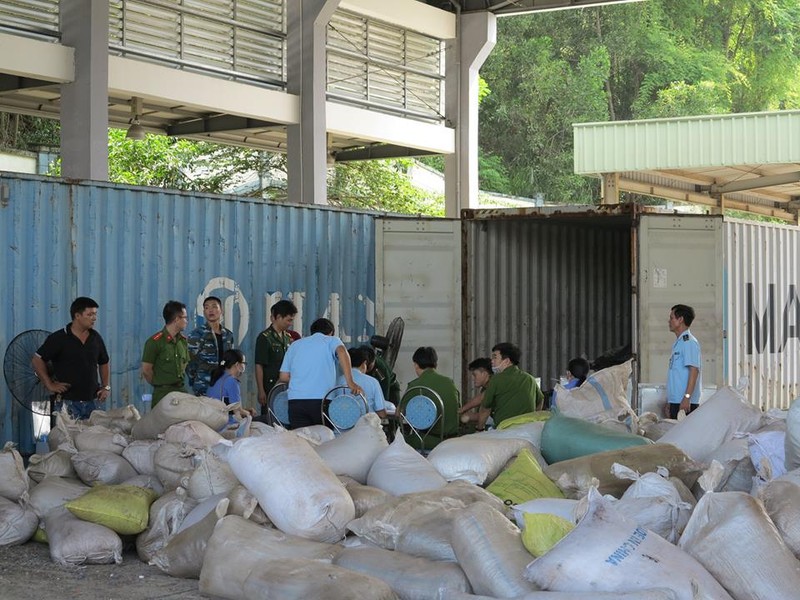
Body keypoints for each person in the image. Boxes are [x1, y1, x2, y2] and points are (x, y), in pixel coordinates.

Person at [32, 297, 111, 422]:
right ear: (77, 315)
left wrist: (106, 387)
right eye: (90, 314)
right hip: (67, 403)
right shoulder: (59, 338)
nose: (94, 318)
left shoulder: (96, 338)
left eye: (95, 314)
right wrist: (49, 384)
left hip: (93, 403)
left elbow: (104, 362)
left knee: (93, 439)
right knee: (67, 439)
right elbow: (37, 359)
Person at [279, 317, 362, 429]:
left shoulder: (295, 345)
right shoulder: (331, 340)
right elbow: (342, 351)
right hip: (322, 401)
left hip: (296, 401)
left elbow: (283, 377)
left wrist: (303, 379)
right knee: (323, 442)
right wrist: (350, 382)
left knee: (301, 441)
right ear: (331, 333)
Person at [476, 342, 543, 431]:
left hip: (504, 431)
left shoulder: (496, 380)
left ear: (507, 361)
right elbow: (541, 399)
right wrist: (532, 417)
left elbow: (485, 409)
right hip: (528, 430)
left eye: (495, 357)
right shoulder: (529, 379)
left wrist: (479, 429)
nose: (492, 361)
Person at [402, 346, 460, 448]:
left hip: (426, 442)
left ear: (416, 365)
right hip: (452, 442)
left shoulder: (415, 386)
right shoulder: (450, 383)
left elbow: (400, 413)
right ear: (436, 364)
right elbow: (458, 408)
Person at [141, 301, 190, 406]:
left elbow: (185, 364)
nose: (187, 321)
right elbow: (146, 371)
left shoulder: (183, 341)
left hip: (181, 393)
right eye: (185, 318)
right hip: (162, 395)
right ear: (177, 319)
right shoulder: (154, 342)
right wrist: (160, 383)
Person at [255, 300, 298, 417]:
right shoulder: (265, 338)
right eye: (288, 320)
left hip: (286, 387)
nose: (290, 323)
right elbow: (259, 365)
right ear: (278, 317)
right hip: (270, 387)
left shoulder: (288, 337)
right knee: (270, 418)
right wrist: (261, 390)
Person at [187, 296, 234, 396]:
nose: (210, 310)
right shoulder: (197, 334)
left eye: (214, 307)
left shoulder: (228, 335)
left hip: (224, 385)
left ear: (221, 310)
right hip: (204, 385)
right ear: (204, 312)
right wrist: (197, 379)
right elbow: (190, 362)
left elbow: (231, 360)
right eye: (207, 307)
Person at [666, 304, 702, 419]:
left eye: (672, 318)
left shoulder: (689, 342)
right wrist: (670, 401)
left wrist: (687, 397)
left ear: (680, 319)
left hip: (685, 403)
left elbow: (694, 370)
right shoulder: (679, 343)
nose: (669, 321)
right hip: (677, 401)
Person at [206, 349, 255, 432]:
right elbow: (237, 413)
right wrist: (249, 414)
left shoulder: (218, 376)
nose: (244, 366)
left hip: (212, 423)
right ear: (237, 365)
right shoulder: (231, 381)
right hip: (224, 426)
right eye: (244, 363)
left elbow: (231, 406)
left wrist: (245, 410)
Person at [337, 347, 387, 418]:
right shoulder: (373, 382)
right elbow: (382, 413)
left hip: (339, 427)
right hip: (366, 427)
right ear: (364, 363)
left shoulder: (337, 381)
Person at [362, 344, 400, 409]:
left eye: (369, 367)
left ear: (373, 361)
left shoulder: (380, 370)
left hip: (391, 389)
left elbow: (385, 388)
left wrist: (383, 405)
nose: (365, 370)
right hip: (373, 392)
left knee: (392, 412)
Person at [458, 357, 492, 424]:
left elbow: (481, 398)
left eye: (474, 375)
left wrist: (463, 411)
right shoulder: (484, 388)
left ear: (484, 374)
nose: (473, 379)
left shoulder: (494, 384)